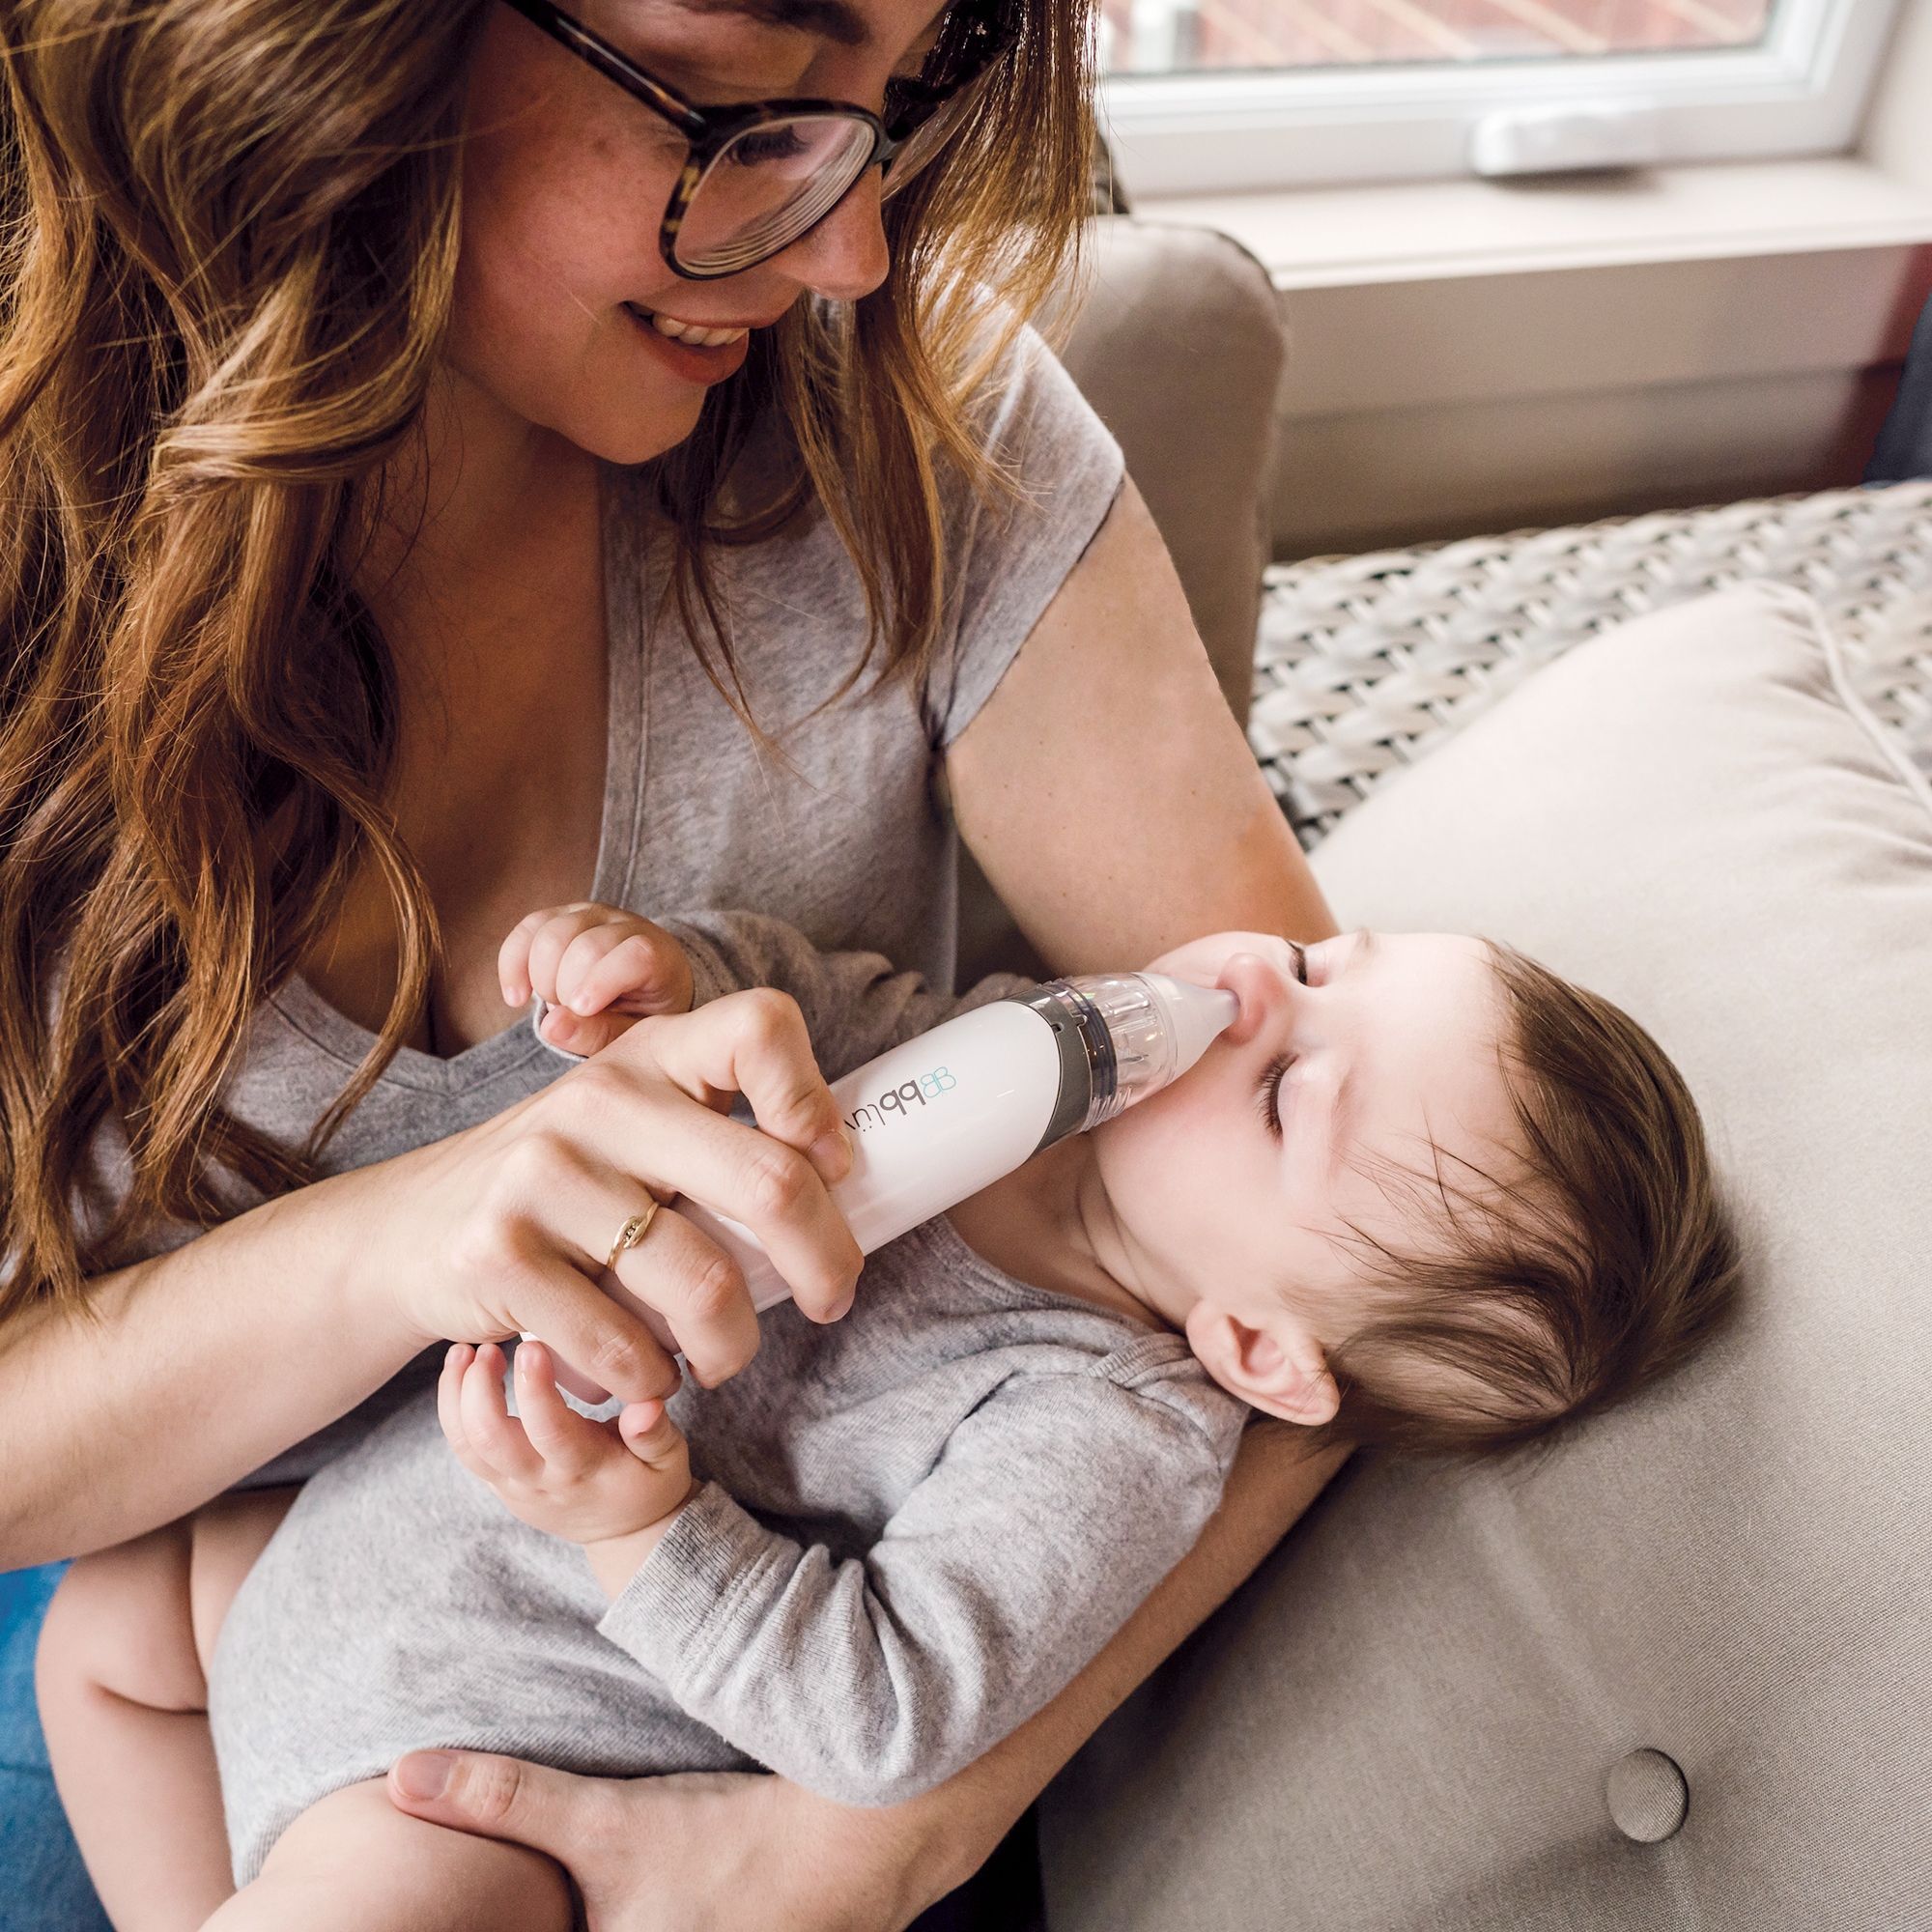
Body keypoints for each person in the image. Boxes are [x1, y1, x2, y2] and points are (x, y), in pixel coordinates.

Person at [0, 0, 1346, 1925]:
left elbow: (1349, 1271)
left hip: (713, 1675)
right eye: (730, 107)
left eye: (908, 91)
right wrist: (407, 1239)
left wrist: (873, 1842)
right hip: (168, 1566)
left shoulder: (919, 431)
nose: (849, 250)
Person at [38, 904, 1741, 1932]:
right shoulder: (980, 1046)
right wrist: (666, 979)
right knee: (106, 1622)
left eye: (1288, 1088)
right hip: (309, 1576)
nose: (1238, 988)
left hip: (472, 1773)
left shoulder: (1113, 1429)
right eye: (1310, 959)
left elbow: (893, 1710)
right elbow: (793, 999)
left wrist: (644, 1533)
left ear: (1259, 1346)